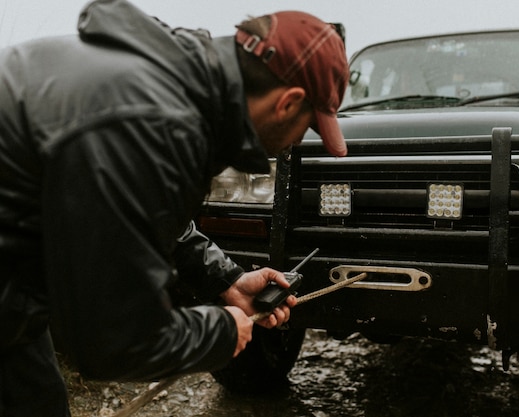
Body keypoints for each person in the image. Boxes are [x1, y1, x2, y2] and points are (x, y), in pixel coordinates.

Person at [0, 0, 349, 415]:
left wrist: (229, 281)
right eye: (309, 126)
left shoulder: (173, 86)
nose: (296, 142)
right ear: (288, 102)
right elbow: (112, 341)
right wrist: (220, 332)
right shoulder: (149, 125)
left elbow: (135, 207)